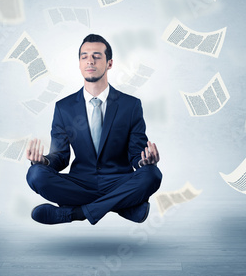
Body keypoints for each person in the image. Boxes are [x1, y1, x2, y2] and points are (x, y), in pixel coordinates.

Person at [25, 34, 162, 225]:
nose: (90, 60)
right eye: (84, 56)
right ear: (80, 64)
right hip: (80, 183)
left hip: (118, 180)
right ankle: (124, 206)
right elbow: (61, 157)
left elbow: (136, 154)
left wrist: (144, 161)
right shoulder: (64, 108)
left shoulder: (130, 105)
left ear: (109, 63)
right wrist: (44, 161)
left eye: (97, 56)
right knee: (35, 175)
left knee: (152, 175)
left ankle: (75, 213)